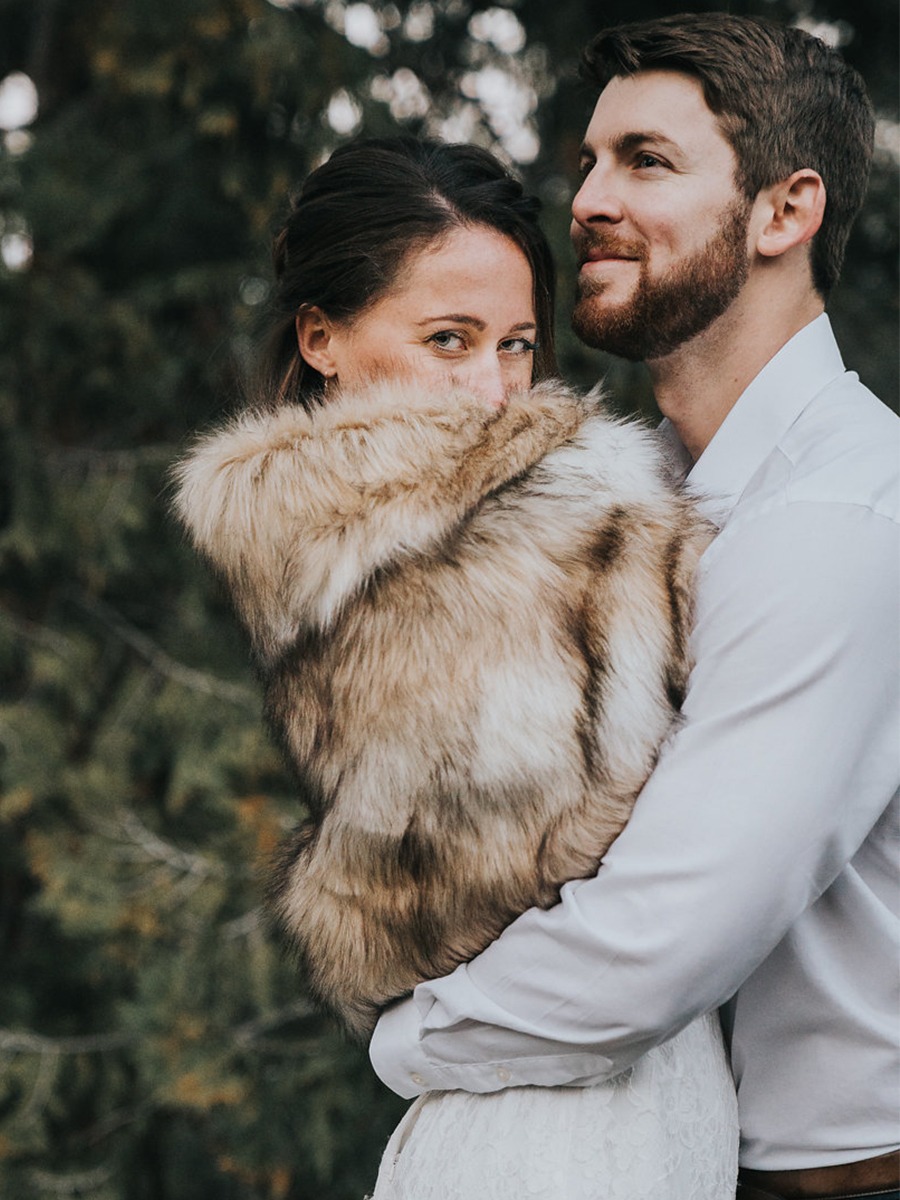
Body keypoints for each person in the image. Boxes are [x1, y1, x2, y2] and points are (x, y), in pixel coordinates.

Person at [368, 13, 900, 1200]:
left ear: (784, 212)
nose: (591, 199)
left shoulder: (847, 518)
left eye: (646, 162)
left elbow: (659, 941)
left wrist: (409, 1038)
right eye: (590, 164)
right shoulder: (640, 498)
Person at [172, 136, 739, 1196]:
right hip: (550, 1130)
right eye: (449, 339)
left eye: (518, 345)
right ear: (321, 338)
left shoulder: (523, 515)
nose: (494, 390)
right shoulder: (425, 554)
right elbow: (550, 873)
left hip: (614, 1094)